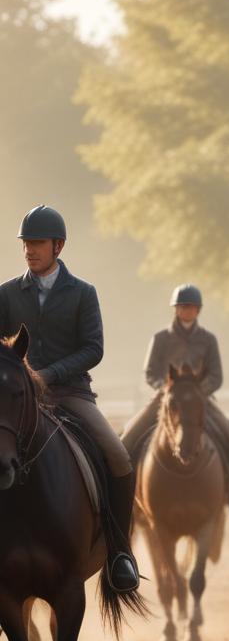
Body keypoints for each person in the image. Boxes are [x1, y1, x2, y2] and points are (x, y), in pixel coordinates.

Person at [0, 205, 139, 591]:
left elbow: (93, 348)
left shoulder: (82, 293)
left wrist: (48, 374)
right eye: (26, 243)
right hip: (16, 400)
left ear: (58, 246)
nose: (30, 249)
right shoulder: (6, 294)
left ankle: (120, 553)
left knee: (119, 456)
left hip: (70, 393)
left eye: (38, 243)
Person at [120, 284, 229, 523]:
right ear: (176, 309)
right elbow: (150, 372)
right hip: (165, 399)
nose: (187, 310)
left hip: (199, 401)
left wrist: (196, 392)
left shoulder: (208, 339)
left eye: (192, 306)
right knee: (125, 441)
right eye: (183, 306)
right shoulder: (160, 338)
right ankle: (123, 502)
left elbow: (216, 376)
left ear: (198, 310)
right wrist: (166, 390)